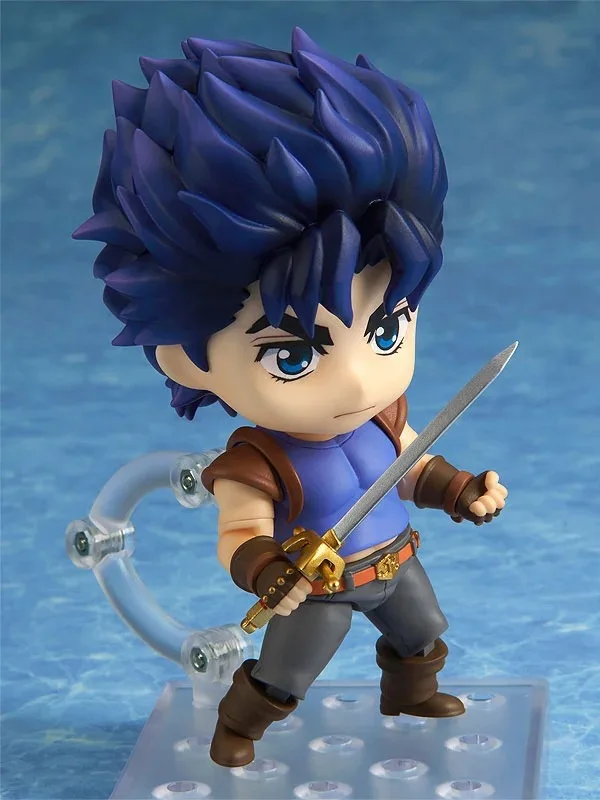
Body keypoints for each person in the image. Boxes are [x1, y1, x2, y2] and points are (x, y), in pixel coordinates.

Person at [74, 27, 508, 768]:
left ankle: (411, 694)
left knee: (423, 632)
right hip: (321, 588)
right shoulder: (258, 461)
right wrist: (269, 570)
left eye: (386, 328)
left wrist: (461, 491)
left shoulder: (383, 419)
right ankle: (237, 729)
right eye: (295, 355)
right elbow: (239, 534)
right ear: (187, 358)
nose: (360, 381)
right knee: (286, 674)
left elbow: (408, 470)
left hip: (393, 563)